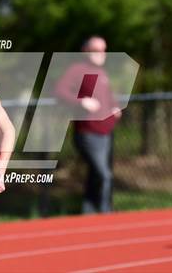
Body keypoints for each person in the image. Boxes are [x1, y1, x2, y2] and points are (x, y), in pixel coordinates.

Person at [55, 36, 121, 214]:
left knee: (96, 175)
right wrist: (81, 101)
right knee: (104, 174)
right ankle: (106, 212)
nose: (101, 54)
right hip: (88, 132)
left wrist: (114, 107)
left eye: (104, 49)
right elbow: (60, 91)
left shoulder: (102, 73)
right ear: (86, 51)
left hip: (105, 132)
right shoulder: (77, 70)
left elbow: (108, 97)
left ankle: (89, 213)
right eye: (96, 49)